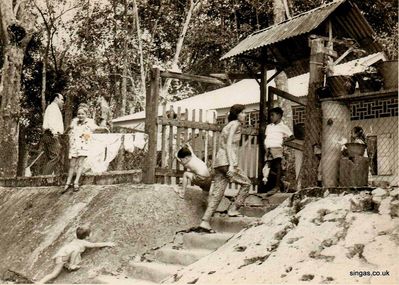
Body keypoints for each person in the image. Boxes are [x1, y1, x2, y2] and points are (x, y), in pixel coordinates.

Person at [199, 104, 252, 233]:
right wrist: (232, 165)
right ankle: (233, 209)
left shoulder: (227, 126)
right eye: (243, 113)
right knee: (246, 183)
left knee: (217, 193)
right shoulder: (235, 124)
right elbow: (229, 145)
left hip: (219, 162)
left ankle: (205, 221)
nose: (245, 115)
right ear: (237, 114)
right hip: (228, 162)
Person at [38, 226, 115, 284]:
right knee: (54, 274)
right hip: (62, 258)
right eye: (90, 233)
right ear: (87, 236)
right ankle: (71, 265)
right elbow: (95, 245)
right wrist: (107, 243)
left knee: (74, 251)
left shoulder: (75, 239)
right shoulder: (83, 242)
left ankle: (41, 282)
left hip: (60, 255)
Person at [62, 104, 97, 193]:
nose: (80, 116)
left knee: (80, 163)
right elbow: (68, 129)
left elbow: (96, 129)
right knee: (72, 164)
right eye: (79, 114)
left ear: (86, 114)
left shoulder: (90, 122)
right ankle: (67, 182)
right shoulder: (74, 122)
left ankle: (76, 182)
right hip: (74, 145)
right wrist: (63, 133)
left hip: (84, 145)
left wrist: (104, 129)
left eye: (82, 114)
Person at [263, 107, 294, 193]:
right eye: (270, 115)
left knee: (277, 166)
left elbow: (292, 136)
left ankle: (277, 186)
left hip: (277, 148)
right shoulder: (268, 127)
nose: (271, 117)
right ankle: (281, 184)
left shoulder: (283, 127)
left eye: (273, 115)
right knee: (268, 167)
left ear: (279, 116)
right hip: (268, 148)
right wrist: (266, 148)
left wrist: (284, 141)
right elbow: (266, 138)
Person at [42, 93, 65, 175]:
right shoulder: (52, 108)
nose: (63, 102)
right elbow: (51, 122)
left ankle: (48, 178)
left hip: (49, 134)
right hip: (51, 134)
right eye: (62, 99)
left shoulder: (53, 108)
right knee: (55, 157)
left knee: (51, 158)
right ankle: (44, 178)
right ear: (56, 99)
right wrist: (54, 133)